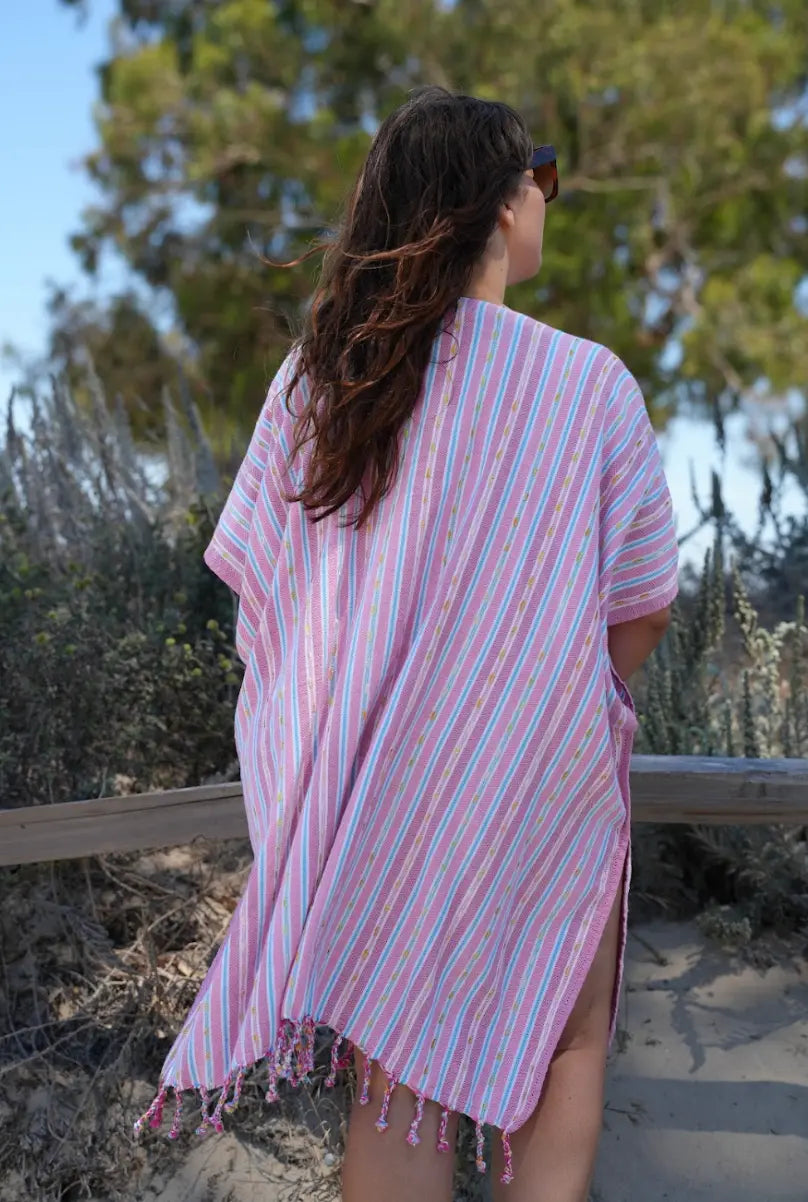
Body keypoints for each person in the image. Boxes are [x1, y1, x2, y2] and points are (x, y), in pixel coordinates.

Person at [135, 87, 679, 1202]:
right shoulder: (586, 384)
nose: (548, 200)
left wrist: (344, 720)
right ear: (504, 195)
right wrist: (554, 699)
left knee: (399, 1067)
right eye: (545, 178)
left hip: (385, 784)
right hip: (539, 774)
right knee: (567, 1035)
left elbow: (263, 590)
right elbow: (643, 603)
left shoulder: (322, 376)